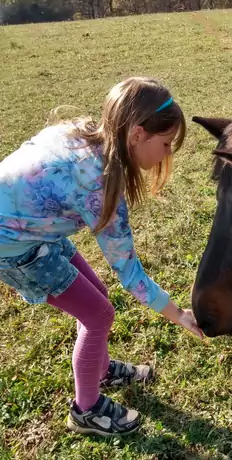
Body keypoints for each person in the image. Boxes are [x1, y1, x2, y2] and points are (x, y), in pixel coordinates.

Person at [0, 76, 203, 437]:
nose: (168, 154)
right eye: (167, 143)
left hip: (32, 231)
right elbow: (129, 271)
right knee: (99, 315)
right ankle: (86, 410)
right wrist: (179, 315)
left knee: (97, 301)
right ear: (138, 134)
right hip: (13, 247)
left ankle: (100, 367)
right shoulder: (98, 185)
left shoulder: (81, 132)